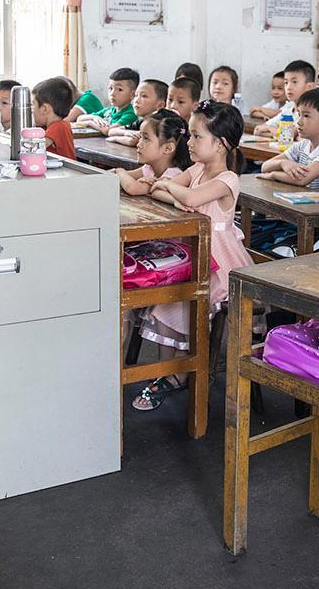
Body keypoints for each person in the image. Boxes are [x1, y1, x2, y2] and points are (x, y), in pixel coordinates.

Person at [136, 101, 252, 410]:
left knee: (185, 300)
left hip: (219, 261)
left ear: (222, 143)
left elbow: (187, 195)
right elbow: (162, 191)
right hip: (193, 250)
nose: (190, 143)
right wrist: (175, 195)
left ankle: (178, 375)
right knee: (168, 297)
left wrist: (175, 192)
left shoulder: (228, 179)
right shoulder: (198, 168)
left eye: (197, 136)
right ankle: (167, 372)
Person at [258, 87, 319, 188]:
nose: (299, 122)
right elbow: (265, 167)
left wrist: (273, 175)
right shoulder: (303, 144)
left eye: (306, 116)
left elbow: (302, 179)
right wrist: (282, 163)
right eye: (299, 114)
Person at [114, 109, 191, 195]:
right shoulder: (149, 169)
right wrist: (120, 173)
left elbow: (133, 188)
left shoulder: (173, 176)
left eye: (146, 139)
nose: (138, 144)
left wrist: (119, 171)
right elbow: (110, 176)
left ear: (167, 148)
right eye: (141, 137)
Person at [254, 60, 316, 137]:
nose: (288, 87)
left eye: (294, 82)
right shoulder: (288, 110)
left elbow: (290, 135)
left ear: (309, 87)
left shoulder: (311, 112)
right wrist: (275, 132)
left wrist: (270, 130)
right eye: (286, 83)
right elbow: (258, 130)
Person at [104, 79, 168, 144]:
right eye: (136, 95)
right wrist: (126, 132)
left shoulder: (161, 124)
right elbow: (111, 131)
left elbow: (132, 141)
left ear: (160, 105)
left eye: (144, 96)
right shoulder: (142, 121)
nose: (136, 100)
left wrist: (115, 139)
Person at [69, 66, 139, 125]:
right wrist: (94, 118)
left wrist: (89, 123)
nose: (112, 93)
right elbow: (80, 118)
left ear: (132, 94)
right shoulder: (108, 111)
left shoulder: (131, 113)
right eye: (110, 88)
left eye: (119, 89)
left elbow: (109, 130)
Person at [32, 77, 77, 160]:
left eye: (33, 104)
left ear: (45, 108)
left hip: (66, 171)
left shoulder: (59, 126)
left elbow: (35, 148)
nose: (32, 110)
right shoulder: (47, 127)